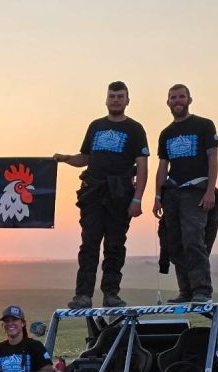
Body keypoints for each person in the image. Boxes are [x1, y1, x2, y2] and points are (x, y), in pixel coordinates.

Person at [53, 81, 149, 309]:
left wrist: (137, 199)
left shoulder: (135, 129)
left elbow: (142, 166)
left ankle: (111, 294)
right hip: (93, 193)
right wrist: (65, 158)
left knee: (115, 246)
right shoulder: (95, 126)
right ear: (106, 100)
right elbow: (85, 158)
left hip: (120, 194)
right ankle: (83, 295)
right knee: (89, 244)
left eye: (120, 96)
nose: (116, 100)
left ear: (127, 100)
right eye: (112, 96)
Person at [153, 84, 218, 303]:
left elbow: (213, 159)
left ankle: (202, 289)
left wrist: (210, 191)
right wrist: (158, 196)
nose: (177, 101)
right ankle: (185, 291)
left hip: (196, 190)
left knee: (194, 240)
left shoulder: (204, 125)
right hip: (173, 192)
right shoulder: (166, 133)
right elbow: (163, 167)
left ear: (189, 100)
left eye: (181, 97)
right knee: (174, 243)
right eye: (173, 97)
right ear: (167, 102)